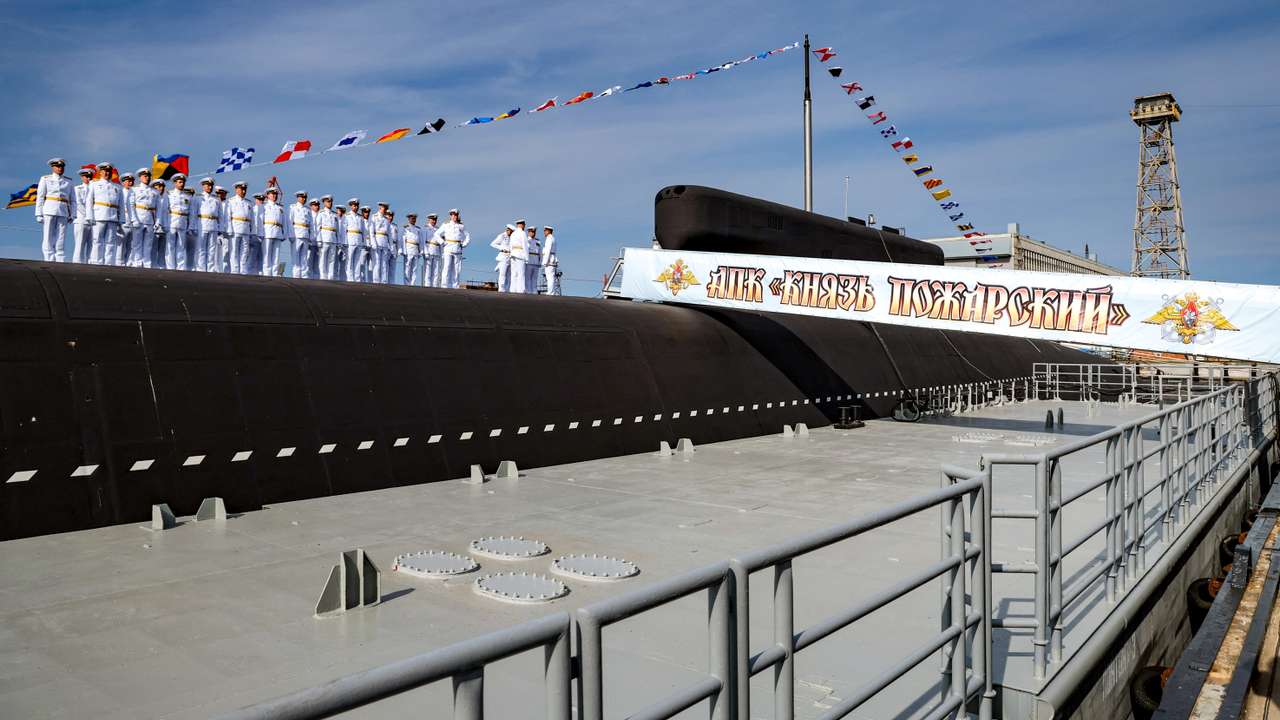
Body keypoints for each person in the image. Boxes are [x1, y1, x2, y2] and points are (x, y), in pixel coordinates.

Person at [85, 162, 126, 266]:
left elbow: (121, 204)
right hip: (99, 216)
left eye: (109, 171)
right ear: (100, 172)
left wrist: (121, 219)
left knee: (110, 242)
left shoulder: (117, 187)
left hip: (112, 217)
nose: (107, 173)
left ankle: (109, 263)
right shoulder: (94, 184)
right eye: (104, 171)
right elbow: (89, 201)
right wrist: (89, 216)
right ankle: (96, 261)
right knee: (97, 240)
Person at [35, 158, 75, 263]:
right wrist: (38, 213)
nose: (60, 168)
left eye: (62, 166)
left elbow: (73, 200)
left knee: (61, 236)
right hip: (49, 209)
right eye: (57, 166)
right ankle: (48, 258)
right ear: (53, 167)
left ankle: (60, 258)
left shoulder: (69, 181)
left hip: (63, 211)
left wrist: (73, 214)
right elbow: (40, 196)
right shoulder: (45, 179)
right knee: (48, 235)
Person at [128, 168, 160, 268]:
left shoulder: (155, 192)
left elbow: (158, 208)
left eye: (149, 176)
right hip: (139, 218)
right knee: (137, 243)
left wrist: (157, 222)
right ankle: (137, 262)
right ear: (140, 177)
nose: (147, 178)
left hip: (149, 220)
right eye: (145, 176)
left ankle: (147, 263)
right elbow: (131, 205)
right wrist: (134, 219)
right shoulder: (134, 189)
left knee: (148, 244)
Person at [433, 208, 470, 289]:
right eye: (453, 215)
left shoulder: (461, 225)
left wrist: (464, 244)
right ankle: (444, 286)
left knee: (457, 269)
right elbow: (437, 234)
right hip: (448, 248)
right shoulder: (446, 224)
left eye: (456, 215)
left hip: (457, 248)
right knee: (447, 267)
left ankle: (455, 286)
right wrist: (442, 242)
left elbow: (467, 236)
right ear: (451, 216)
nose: (455, 217)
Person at [226, 182, 254, 274]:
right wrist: (229, 229)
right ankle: (235, 269)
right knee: (234, 249)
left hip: (246, 228)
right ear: (236, 190)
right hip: (235, 228)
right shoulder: (231, 201)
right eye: (241, 189)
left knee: (245, 250)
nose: (243, 191)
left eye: (245, 189)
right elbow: (228, 216)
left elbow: (252, 218)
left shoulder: (249, 203)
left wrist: (252, 230)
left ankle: (243, 268)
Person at [165, 174, 192, 270]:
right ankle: (170, 267)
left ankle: (180, 267)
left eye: (183, 182)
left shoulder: (188, 197)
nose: (182, 184)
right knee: (170, 246)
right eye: (180, 182)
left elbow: (190, 212)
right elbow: (165, 209)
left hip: (183, 221)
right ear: (175, 183)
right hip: (172, 221)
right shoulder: (169, 194)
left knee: (181, 245)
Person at [194, 178, 221, 272]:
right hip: (202, 224)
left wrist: (220, 227)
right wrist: (193, 226)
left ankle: (210, 269)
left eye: (211, 185)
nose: (209, 187)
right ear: (203, 186)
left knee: (212, 249)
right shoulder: (197, 198)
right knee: (201, 248)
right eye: (207, 185)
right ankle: (201, 268)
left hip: (213, 225)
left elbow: (220, 215)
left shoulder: (216, 199)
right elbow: (194, 213)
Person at [261, 187, 286, 276]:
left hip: (278, 233)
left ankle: (275, 274)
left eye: (276, 194)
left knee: (276, 256)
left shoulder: (280, 208)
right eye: (272, 194)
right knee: (267, 256)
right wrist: (261, 233)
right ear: (268, 195)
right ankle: (267, 274)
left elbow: (284, 222)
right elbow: (260, 220)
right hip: (267, 232)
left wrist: (284, 234)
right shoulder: (264, 206)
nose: (274, 196)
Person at [71, 167, 94, 264]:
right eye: (86, 176)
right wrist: (89, 214)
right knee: (80, 243)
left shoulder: (95, 189)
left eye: (90, 176)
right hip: (82, 220)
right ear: (82, 177)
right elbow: (79, 204)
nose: (88, 178)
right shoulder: (77, 189)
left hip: (94, 221)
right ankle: (77, 263)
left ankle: (91, 263)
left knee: (92, 245)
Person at [289, 190, 313, 278]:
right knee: (296, 257)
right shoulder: (293, 207)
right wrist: (291, 235)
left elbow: (311, 224)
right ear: (298, 198)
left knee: (304, 257)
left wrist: (311, 236)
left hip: (305, 234)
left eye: (305, 197)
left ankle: (304, 275)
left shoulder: (307, 209)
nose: (304, 199)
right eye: (302, 197)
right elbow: (290, 222)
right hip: (297, 234)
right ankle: (296, 276)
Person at [316, 195, 339, 280]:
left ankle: (330, 276)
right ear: (324, 203)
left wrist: (338, 240)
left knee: (332, 259)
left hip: (333, 238)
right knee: (323, 259)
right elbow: (318, 227)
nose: (330, 203)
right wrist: (319, 240)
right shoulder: (321, 213)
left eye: (331, 201)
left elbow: (338, 230)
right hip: (324, 238)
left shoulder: (334, 214)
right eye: (328, 202)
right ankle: (323, 276)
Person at [117, 172, 137, 266]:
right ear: (123, 182)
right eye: (128, 181)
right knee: (121, 244)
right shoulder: (120, 192)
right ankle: (119, 263)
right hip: (123, 219)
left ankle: (128, 263)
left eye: (132, 181)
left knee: (131, 244)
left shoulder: (134, 193)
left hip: (132, 221)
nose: (130, 183)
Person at [343, 198, 365, 281]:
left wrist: (363, 241)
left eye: (357, 206)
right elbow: (344, 230)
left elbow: (363, 231)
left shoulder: (360, 217)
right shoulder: (347, 216)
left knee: (357, 261)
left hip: (358, 240)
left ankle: (357, 278)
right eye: (354, 205)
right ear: (350, 206)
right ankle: (350, 279)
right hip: (350, 240)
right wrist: (345, 242)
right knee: (349, 261)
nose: (355, 207)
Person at [371, 202, 391, 284]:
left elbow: (389, 233)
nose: (385, 210)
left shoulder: (386, 219)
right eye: (384, 208)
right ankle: (376, 280)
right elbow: (372, 232)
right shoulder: (374, 217)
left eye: (386, 208)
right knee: (377, 262)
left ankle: (384, 280)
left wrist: (391, 245)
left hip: (385, 241)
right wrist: (373, 243)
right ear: (380, 208)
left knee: (384, 263)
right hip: (377, 239)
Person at [150, 178, 168, 269]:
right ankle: (153, 266)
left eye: (162, 186)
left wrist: (166, 225)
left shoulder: (166, 198)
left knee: (162, 250)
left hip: (164, 227)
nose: (161, 188)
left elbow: (167, 213)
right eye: (159, 186)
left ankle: (161, 266)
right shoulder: (152, 197)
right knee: (153, 248)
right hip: (154, 226)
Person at [491, 224, 514, 292]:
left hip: (510, 257)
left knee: (509, 274)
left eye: (512, 231)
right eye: (510, 231)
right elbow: (493, 244)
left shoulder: (512, 237)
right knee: (502, 273)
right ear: (507, 230)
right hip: (503, 255)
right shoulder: (502, 236)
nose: (511, 233)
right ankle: (501, 288)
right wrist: (501, 248)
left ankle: (507, 288)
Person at [401, 212, 422, 286]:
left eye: (414, 219)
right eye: (412, 218)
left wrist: (420, 250)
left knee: (414, 268)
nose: (413, 220)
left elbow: (420, 241)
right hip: (408, 248)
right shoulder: (406, 228)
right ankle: (407, 283)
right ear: (409, 219)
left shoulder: (418, 229)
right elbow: (403, 239)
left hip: (416, 249)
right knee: (407, 267)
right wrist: (403, 250)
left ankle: (412, 283)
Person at [508, 218, 528, 293]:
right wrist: (526, 257)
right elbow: (525, 246)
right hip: (520, 254)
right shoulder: (522, 233)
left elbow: (510, 245)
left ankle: (513, 289)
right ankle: (521, 289)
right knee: (521, 273)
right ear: (522, 225)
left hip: (513, 254)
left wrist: (511, 254)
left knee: (514, 273)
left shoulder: (513, 233)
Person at [422, 213, 441, 287]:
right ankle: (427, 285)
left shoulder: (438, 229)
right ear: (429, 219)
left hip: (436, 251)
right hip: (429, 250)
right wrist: (425, 251)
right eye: (432, 219)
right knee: (428, 270)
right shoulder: (425, 228)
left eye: (435, 220)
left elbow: (440, 242)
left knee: (436, 270)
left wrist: (440, 252)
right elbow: (423, 241)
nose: (434, 221)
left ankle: (434, 285)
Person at [542, 225, 559, 295]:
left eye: (545, 231)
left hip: (549, 259)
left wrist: (545, 261)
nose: (544, 232)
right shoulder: (553, 238)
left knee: (549, 277)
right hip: (552, 258)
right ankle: (552, 291)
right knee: (551, 276)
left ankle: (550, 292)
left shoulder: (549, 238)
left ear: (548, 231)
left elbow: (548, 250)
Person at [525, 226, 542, 293]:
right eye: (532, 232)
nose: (533, 233)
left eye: (534, 232)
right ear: (528, 232)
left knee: (535, 278)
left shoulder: (538, 241)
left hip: (536, 261)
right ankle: (529, 291)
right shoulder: (526, 240)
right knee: (528, 278)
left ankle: (534, 291)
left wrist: (540, 262)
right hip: (529, 260)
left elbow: (540, 252)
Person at [308, 198, 322, 278]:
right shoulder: (309, 215)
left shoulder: (320, 215)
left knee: (317, 262)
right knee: (309, 261)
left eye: (317, 205)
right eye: (315, 205)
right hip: (311, 241)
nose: (317, 207)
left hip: (318, 241)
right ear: (311, 206)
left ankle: (316, 278)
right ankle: (309, 277)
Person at [386, 210, 399, 284]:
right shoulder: (384, 224)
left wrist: (397, 249)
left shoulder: (395, 226)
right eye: (389, 216)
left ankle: (391, 282)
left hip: (393, 246)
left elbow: (397, 239)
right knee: (385, 266)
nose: (390, 217)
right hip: (387, 244)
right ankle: (384, 282)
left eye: (391, 216)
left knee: (392, 267)